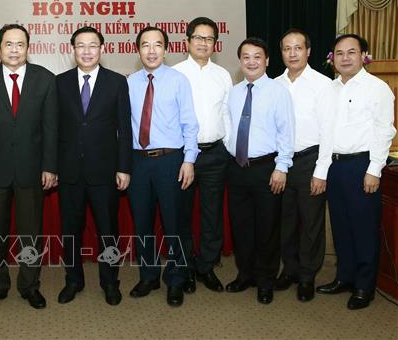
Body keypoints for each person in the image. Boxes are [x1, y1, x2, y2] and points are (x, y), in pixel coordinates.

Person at [0, 24, 58, 311]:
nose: (14, 49)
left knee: (30, 233)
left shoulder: (45, 79)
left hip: (32, 169)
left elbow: (51, 128)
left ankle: (30, 286)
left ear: (28, 48)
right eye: (9, 44)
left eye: (20, 44)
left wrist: (50, 166)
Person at [315, 34, 395, 310]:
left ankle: (364, 285)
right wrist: (321, 171)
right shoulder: (329, 89)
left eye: (351, 52)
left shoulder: (377, 88)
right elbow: (325, 133)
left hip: (362, 165)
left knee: (363, 227)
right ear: (332, 58)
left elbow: (385, 131)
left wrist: (374, 169)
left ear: (363, 55)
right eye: (339, 53)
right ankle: (344, 277)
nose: (345, 58)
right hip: (335, 166)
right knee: (341, 225)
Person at [55, 26, 132, 306]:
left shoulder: (116, 82)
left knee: (108, 231)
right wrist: (52, 167)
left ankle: (110, 282)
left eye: (92, 46)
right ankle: (73, 280)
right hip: (69, 171)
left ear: (102, 49)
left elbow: (125, 129)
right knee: (70, 231)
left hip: (105, 171)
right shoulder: (60, 82)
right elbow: (53, 129)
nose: (86, 51)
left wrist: (124, 167)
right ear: (72, 50)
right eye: (81, 46)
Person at [126, 26, 199, 307]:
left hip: (171, 160)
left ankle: (176, 279)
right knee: (142, 223)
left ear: (166, 50)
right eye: (145, 45)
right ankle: (148, 276)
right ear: (138, 50)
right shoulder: (129, 83)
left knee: (174, 224)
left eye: (157, 45)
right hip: (138, 161)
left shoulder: (179, 81)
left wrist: (189, 160)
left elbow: (190, 124)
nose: (152, 50)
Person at [224, 37, 295, 305]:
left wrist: (281, 167)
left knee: (267, 228)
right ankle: (245, 274)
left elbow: (287, 132)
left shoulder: (278, 92)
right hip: (237, 168)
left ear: (267, 60)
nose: (251, 62)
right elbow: (229, 127)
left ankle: (265, 280)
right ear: (240, 61)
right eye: (246, 57)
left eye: (257, 57)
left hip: (267, 168)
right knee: (241, 226)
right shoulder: (234, 92)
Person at [173, 17, 232, 294]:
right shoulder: (175, 73)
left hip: (215, 154)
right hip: (184, 156)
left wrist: (228, 149)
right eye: (198, 37)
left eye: (209, 39)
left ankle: (206, 266)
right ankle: (184, 268)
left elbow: (227, 115)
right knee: (181, 214)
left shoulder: (223, 75)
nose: (203, 43)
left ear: (215, 44)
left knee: (212, 214)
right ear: (187, 41)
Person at [274, 29, 332, 302]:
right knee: (285, 220)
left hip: (311, 159)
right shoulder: (275, 84)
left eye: (298, 48)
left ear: (308, 51)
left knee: (311, 222)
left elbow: (329, 132)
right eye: (287, 49)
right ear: (281, 53)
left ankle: (307, 275)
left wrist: (321, 171)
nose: (292, 53)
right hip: (282, 162)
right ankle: (290, 269)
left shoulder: (323, 84)